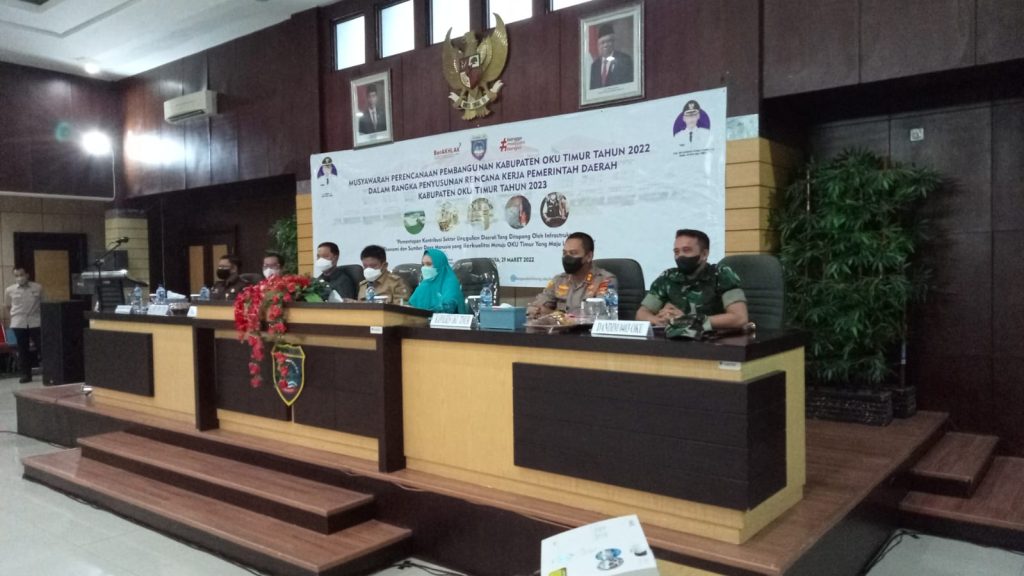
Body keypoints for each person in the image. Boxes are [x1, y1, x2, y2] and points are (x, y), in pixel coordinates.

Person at [636, 229, 748, 331]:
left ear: (704, 254)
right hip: (675, 340)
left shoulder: (721, 274)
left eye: (686, 250)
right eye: (676, 252)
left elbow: (739, 318)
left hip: (713, 341)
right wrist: (658, 320)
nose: (680, 256)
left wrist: (688, 320)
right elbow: (641, 313)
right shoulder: (668, 277)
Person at [527, 232, 617, 319]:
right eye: (564, 253)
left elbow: (596, 315)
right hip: (558, 329)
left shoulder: (605, 280)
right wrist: (536, 311)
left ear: (589, 256)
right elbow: (536, 308)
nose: (567, 257)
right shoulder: (558, 280)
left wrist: (553, 315)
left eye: (573, 253)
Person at [4, 268, 44, 383]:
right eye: (16, 275)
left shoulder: (37, 287)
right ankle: (26, 375)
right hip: (18, 322)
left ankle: (49, 372)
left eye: (21, 274)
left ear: (27, 275)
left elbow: (43, 303)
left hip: (35, 321)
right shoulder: (9, 290)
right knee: (22, 349)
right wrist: (14, 316)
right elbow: (8, 306)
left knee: (42, 347)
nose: (19, 278)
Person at [409, 248, 467, 313]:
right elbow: (411, 306)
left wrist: (426, 313)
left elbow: (449, 307)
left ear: (439, 265)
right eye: (423, 264)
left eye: (429, 264)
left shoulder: (450, 283)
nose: (424, 268)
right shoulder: (424, 284)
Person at [589, 23, 634, 89]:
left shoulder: (625, 60)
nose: (605, 45)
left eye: (608, 41)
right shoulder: (594, 66)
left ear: (613, 42)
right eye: (602, 42)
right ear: (598, 45)